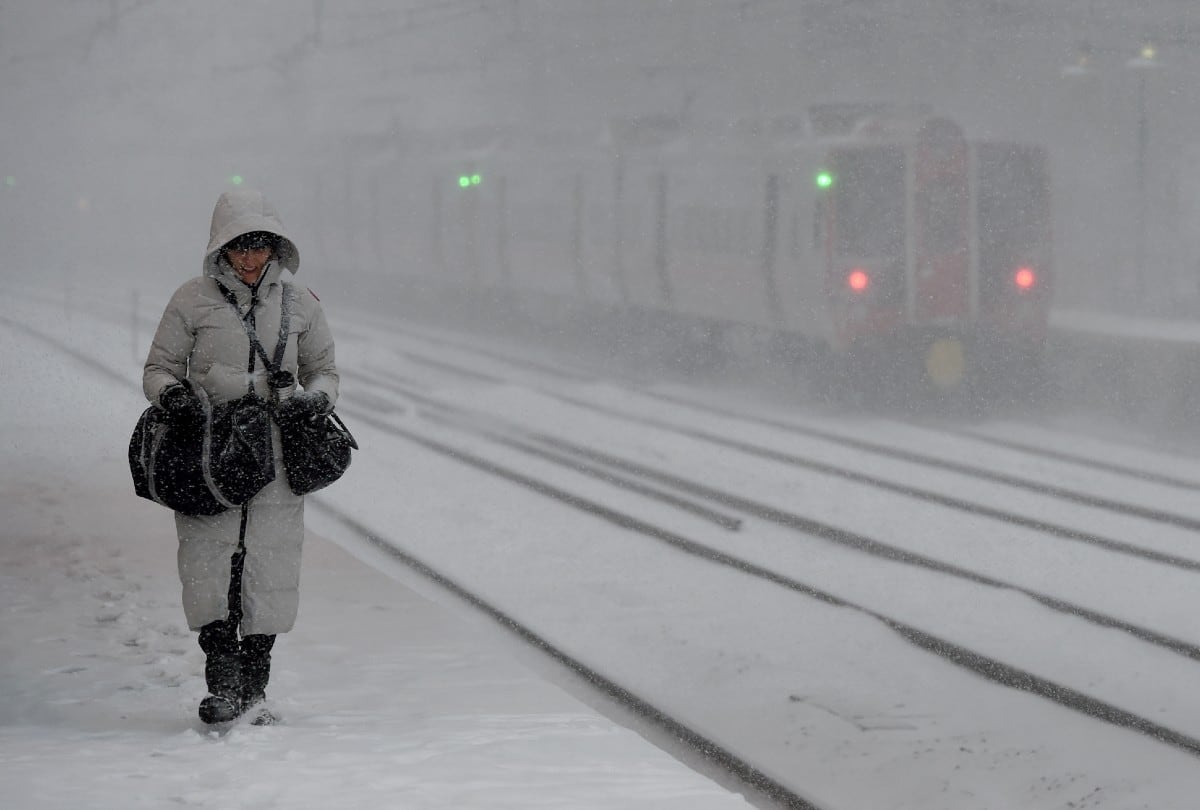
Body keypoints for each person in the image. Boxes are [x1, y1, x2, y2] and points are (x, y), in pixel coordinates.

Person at [142, 188, 339, 725]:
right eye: (238, 249)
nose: (249, 260)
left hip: (277, 457)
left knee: (268, 572)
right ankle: (224, 684)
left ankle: (254, 688)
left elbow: (324, 369)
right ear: (220, 249)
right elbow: (158, 368)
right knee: (211, 569)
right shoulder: (190, 299)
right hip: (211, 454)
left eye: (259, 248)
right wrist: (174, 396)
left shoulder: (302, 305)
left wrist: (315, 399)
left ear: (275, 248)